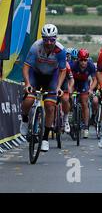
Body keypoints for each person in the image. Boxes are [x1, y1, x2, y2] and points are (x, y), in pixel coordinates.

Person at [20, 24, 67, 152]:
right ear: (42, 39)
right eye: (46, 39)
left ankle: (45, 138)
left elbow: (63, 71)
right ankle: (24, 120)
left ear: (56, 39)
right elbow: (26, 67)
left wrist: (58, 87)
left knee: (50, 106)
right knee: (29, 100)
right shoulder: (36, 46)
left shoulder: (60, 50)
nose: (49, 43)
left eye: (52, 39)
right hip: (36, 74)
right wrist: (27, 84)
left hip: (52, 76)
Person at [69, 48, 97, 139]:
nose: (83, 62)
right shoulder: (73, 65)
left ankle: (86, 127)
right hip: (74, 82)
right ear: (78, 59)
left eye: (85, 60)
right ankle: (71, 116)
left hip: (84, 83)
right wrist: (69, 89)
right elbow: (68, 78)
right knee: (70, 97)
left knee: (84, 102)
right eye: (81, 60)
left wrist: (91, 89)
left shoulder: (91, 66)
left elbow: (95, 80)